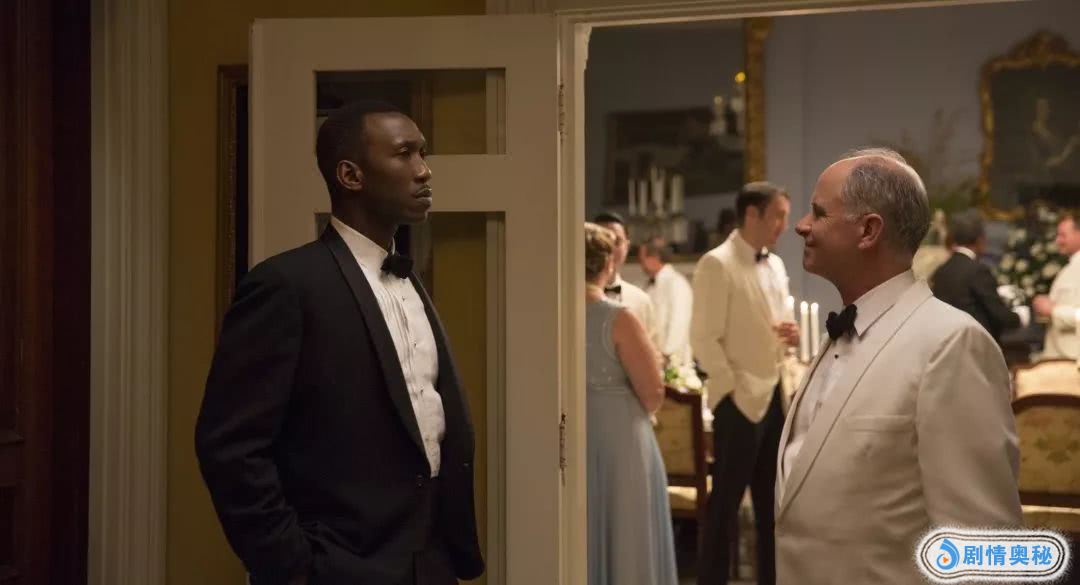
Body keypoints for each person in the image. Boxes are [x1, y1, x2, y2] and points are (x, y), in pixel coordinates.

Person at [195, 101, 483, 585]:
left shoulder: (409, 282)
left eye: (423, 153)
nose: (424, 170)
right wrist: (292, 565)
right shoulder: (286, 285)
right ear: (351, 175)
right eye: (404, 154)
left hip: (431, 563)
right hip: (336, 565)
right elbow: (231, 447)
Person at [777, 148, 1021, 584]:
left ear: (869, 230)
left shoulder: (951, 343)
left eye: (819, 213)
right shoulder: (839, 336)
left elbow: (981, 537)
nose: (801, 225)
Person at [691, 181, 798, 585]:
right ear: (752, 214)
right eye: (779, 216)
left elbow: (775, 324)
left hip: (775, 397)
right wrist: (730, 388)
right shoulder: (716, 264)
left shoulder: (776, 265)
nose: (784, 225)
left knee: (772, 508)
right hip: (737, 401)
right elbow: (703, 338)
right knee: (724, 507)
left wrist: (790, 334)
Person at [584, 222, 678, 585]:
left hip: (573, 435)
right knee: (628, 531)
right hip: (622, 439)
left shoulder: (551, 315)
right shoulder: (619, 317)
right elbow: (653, 392)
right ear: (608, 264)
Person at [931, 208, 1025, 342]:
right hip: (974, 344)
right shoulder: (978, 271)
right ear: (980, 240)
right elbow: (998, 314)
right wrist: (1020, 317)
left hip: (946, 341)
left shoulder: (941, 271)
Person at [594, 211, 658, 345]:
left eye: (617, 241)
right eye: (602, 241)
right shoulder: (571, 299)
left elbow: (653, 349)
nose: (610, 248)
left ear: (627, 247)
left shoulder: (641, 301)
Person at [639, 236, 694, 368]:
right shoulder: (648, 286)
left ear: (654, 258)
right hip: (652, 359)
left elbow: (679, 322)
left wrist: (667, 354)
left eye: (642, 258)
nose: (640, 263)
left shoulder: (676, 283)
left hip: (672, 362)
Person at [1033, 211, 1080, 358]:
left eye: (1063, 235)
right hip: (1060, 356)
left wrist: (1052, 310)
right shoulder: (1070, 267)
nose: (1058, 240)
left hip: (1073, 359)